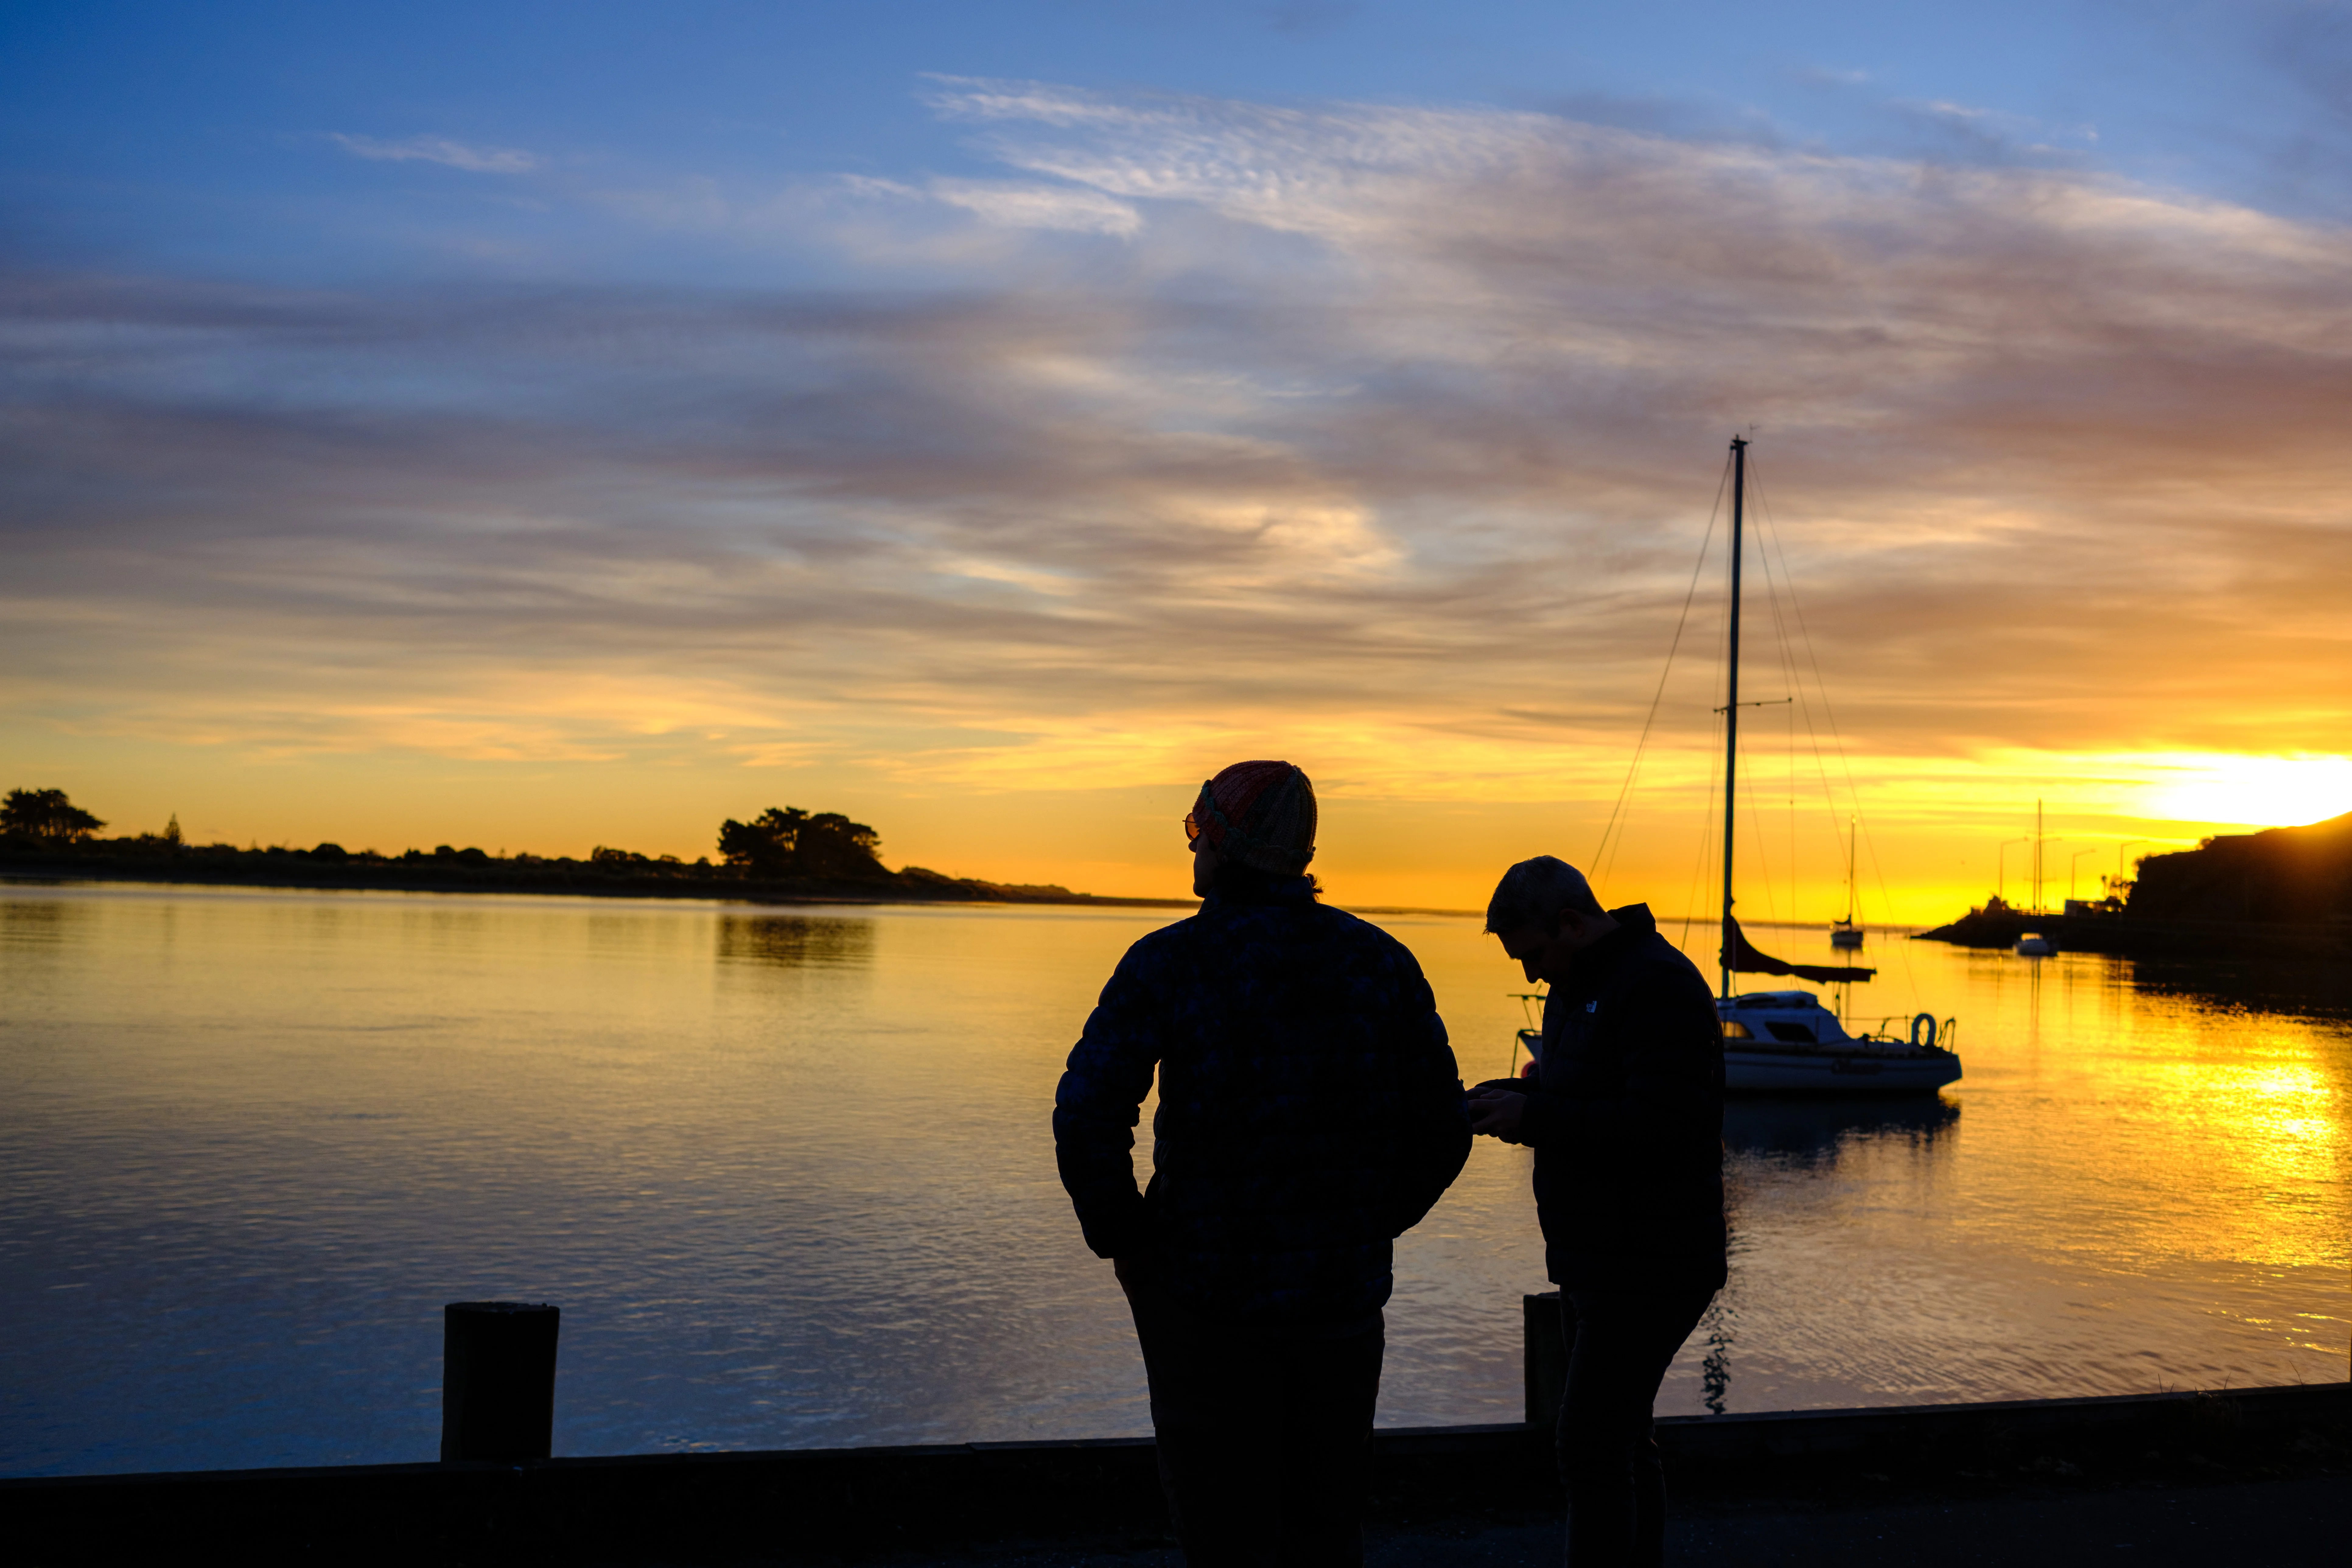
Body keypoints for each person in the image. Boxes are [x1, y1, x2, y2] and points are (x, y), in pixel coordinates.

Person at [1054, 760, 1471, 1567]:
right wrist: (1371, 1223)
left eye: (1195, 833)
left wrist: (1127, 1238)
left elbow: (1089, 1111)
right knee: (1325, 1528)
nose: (1191, 853)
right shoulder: (1379, 962)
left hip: (1203, 1302)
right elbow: (1443, 1128)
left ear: (1224, 844)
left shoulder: (1169, 962)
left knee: (1222, 1534)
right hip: (1340, 1303)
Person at [1466, 856, 1725, 1568]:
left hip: (1653, 1258)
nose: (1529, 974)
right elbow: (1585, 1090)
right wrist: (1518, 1093)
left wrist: (1535, 1117)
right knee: (1621, 1439)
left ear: (1573, 923)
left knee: (1588, 1445)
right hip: (1598, 1253)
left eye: (1533, 954)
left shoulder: (1659, 983)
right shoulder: (1578, 982)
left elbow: (1664, 1123)